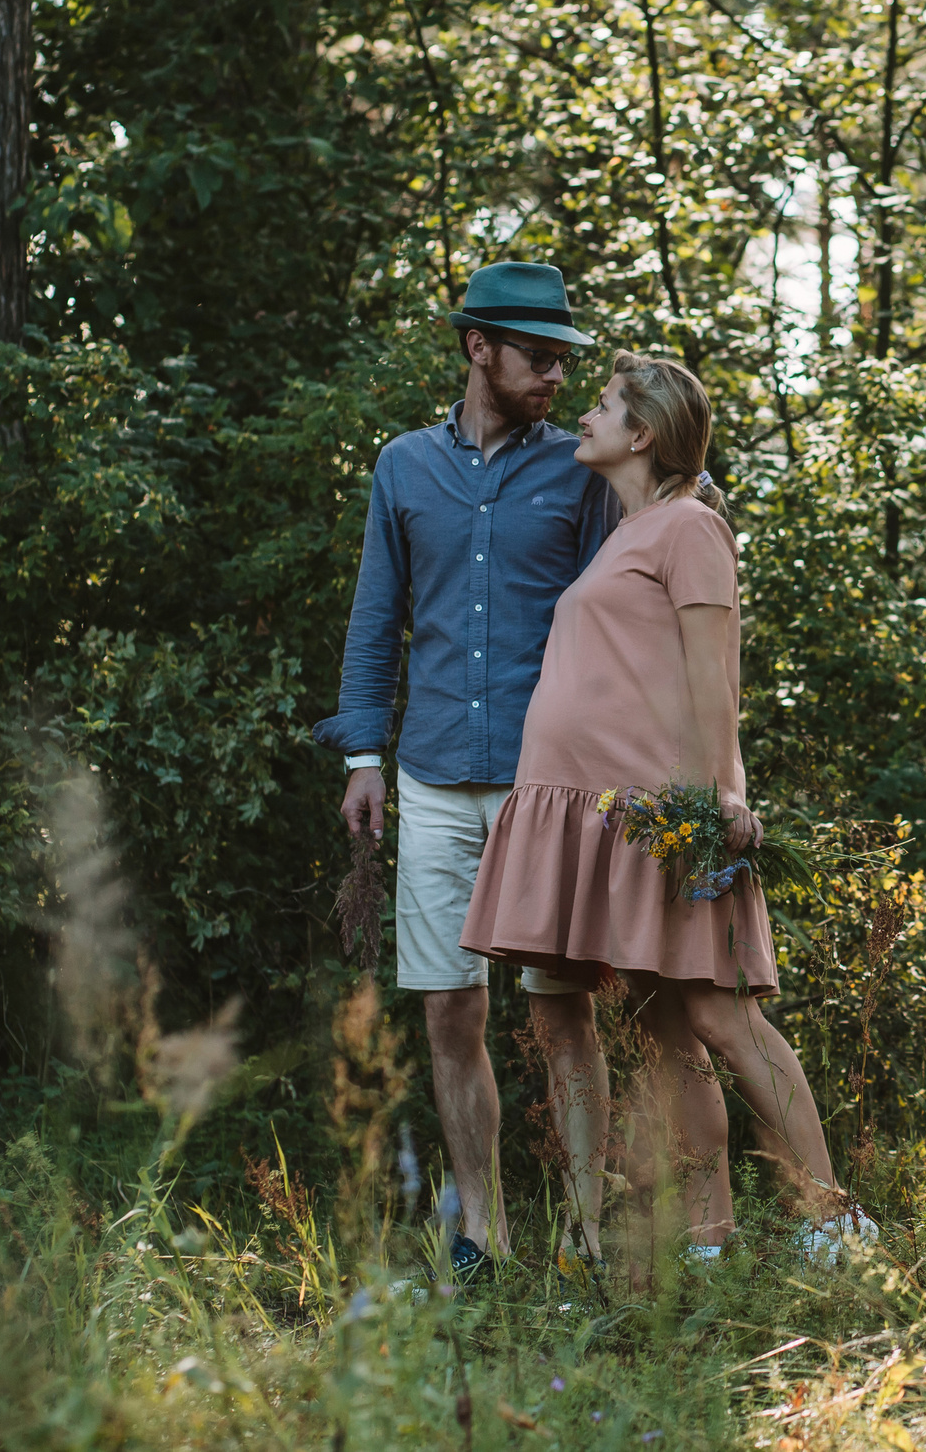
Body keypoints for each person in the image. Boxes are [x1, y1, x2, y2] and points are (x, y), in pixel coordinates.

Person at [459, 352, 875, 1267]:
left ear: (642, 433)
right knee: (659, 1026)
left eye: (604, 405)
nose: (586, 416)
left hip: (665, 817)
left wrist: (721, 792)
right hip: (607, 822)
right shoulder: (624, 530)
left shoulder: (689, 527)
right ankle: (707, 1237)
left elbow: (712, 671)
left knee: (724, 1016)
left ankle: (833, 1218)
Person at [312, 260, 619, 1283]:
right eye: (538, 355)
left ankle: (586, 1232)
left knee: (561, 1007)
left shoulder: (583, 472)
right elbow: (375, 619)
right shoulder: (402, 467)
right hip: (435, 770)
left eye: (564, 357)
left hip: (547, 783)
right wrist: (364, 753)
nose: (556, 375)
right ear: (477, 348)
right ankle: (479, 1231)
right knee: (451, 1005)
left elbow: (621, 613)